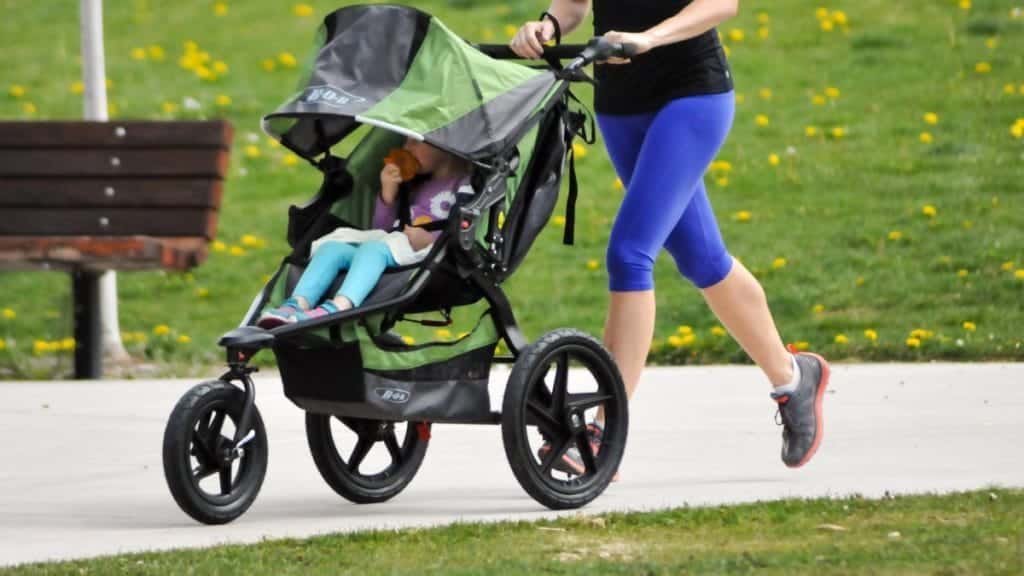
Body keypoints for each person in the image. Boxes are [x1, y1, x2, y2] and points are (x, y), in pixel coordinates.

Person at [511, 0, 830, 474]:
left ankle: (603, 432)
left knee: (629, 253)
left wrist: (652, 37)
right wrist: (548, 26)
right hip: (620, 105)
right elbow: (574, 5)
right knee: (702, 259)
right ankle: (794, 378)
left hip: (691, 95)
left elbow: (722, 4)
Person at [257, 138, 471, 328]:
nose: (407, 148)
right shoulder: (414, 182)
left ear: (446, 146)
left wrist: (430, 240)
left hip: (430, 254)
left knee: (373, 249)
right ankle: (297, 304)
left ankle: (340, 305)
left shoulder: (463, 185)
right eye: (406, 141)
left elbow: (463, 228)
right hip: (391, 246)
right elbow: (381, 229)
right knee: (333, 248)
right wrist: (388, 193)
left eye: (416, 142)